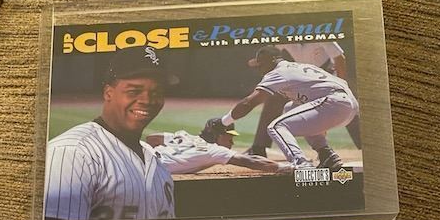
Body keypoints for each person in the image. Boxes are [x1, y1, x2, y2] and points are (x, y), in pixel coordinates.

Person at [44, 48, 175, 220]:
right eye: (134, 91)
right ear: (108, 93)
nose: (147, 100)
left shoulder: (156, 163)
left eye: (156, 93)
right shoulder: (73, 152)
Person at [205, 46, 359, 170]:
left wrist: (224, 121)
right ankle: (326, 155)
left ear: (272, 60)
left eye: (260, 64)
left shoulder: (277, 72)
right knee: (289, 108)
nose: (258, 68)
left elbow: (248, 103)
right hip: (347, 104)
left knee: (276, 126)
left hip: (333, 103)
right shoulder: (299, 66)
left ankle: (301, 163)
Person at [247, 42, 361, 157]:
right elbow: (273, 53)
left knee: (346, 108)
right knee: (274, 100)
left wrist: (342, 82)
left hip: (325, 77)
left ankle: (367, 147)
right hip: (303, 78)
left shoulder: (320, 35)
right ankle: (258, 148)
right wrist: (260, 61)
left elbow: (339, 58)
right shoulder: (287, 36)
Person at [145, 124, 291, 174]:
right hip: (151, 169)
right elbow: (251, 161)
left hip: (143, 155)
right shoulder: (214, 150)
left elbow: (152, 138)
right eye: (229, 137)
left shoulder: (185, 135)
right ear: (217, 136)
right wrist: (286, 167)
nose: (232, 141)